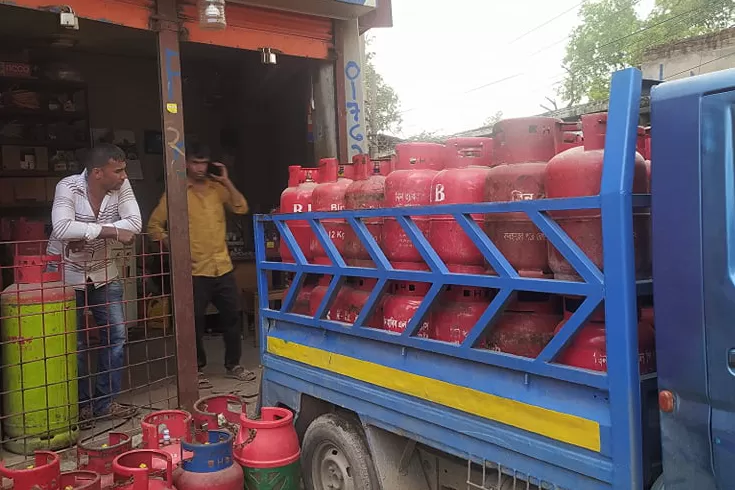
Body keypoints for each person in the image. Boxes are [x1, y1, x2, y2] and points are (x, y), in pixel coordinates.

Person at [48, 143, 142, 424]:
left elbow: (135, 223)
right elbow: (61, 228)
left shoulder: (121, 188)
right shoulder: (69, 187)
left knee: (116, 337)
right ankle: (81, 407)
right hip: (65, 274)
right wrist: (111, 230)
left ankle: (104, 403)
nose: (125, 176)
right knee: (73, 343)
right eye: (119, 170)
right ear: (98, 173)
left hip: (103, 271)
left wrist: (87, 233)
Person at [147, 142, 254, 388]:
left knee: (232, 316)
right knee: (194, 321)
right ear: (186, 163)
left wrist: (226, 181)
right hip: (195, 270)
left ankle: (233, 364)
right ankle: (197, 369)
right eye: (194, 162)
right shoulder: (176, 192)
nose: (198, 167)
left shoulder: (218, 189)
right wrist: (174, 244)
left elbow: (241, 207)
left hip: (222, 266)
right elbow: (154, 226)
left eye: (203, 162)